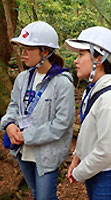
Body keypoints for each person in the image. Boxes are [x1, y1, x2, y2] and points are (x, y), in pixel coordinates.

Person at [0, 21, 75, 199]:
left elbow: (62, 123)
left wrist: (27, 135)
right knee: (35, 193)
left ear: (45, 51)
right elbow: (14, 107)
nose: (23, 53)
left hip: (47, 154)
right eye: (22, 48)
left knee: (44, 197)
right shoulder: (22, 78)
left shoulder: (62, 83)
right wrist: (9, 124)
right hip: (22, 150)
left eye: (29, 49)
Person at [65, 26, 111, 199]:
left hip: (108, 174)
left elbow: (106, 151)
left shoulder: (110, 98)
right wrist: (77, 158)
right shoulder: (93, 89)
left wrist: (79, 172)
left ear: (99, 58)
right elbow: (88, 131)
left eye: (81, 54)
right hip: (96, 168)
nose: (76, 60)